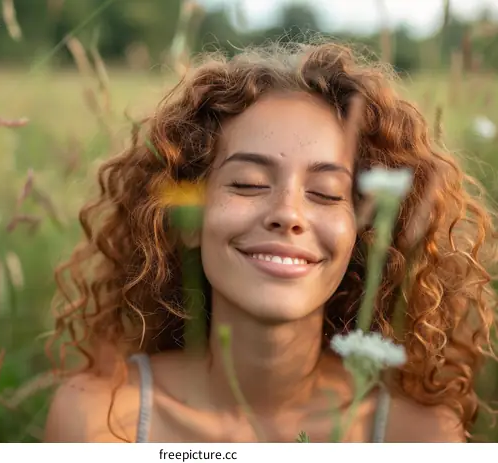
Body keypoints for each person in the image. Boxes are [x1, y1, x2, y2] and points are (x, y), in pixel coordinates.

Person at [43, 42, 497, 443]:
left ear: (362, 234)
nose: (287, 214)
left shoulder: (415, 437)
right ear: (187, 219)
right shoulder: (98, 424)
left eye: (325, 193)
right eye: (248, 184)